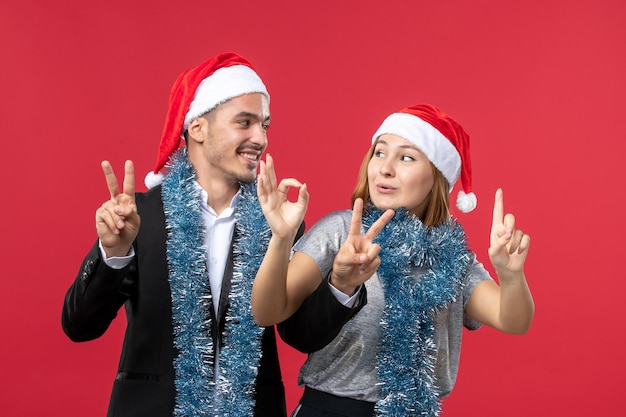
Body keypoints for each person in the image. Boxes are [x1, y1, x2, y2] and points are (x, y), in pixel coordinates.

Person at [61, 52, 304, 417]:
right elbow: (79, 325)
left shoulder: (280, 220)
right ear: (197, 128)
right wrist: (113, 253)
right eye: (245, 122)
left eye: (265, 125)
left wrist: (343, 285)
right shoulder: (140, 216)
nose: (261, 138)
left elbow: (298, 333)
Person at [252, 103, 535, 417]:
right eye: (380, 152)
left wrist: (510, 276)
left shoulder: (452, 257)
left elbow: (513, 320)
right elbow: (267, 312)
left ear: (437, 176)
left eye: (406, 157)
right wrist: (280, 239)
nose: (385, 168)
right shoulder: (340, 230)